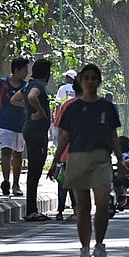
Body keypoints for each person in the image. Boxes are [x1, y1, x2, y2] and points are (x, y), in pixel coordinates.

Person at [48, 64, 126, 257]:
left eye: (94, 78)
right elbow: (64, 137)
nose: (90, 81)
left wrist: (120, 160)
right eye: (86, 78)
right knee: (83, 207)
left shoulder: (106, 107)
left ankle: (99, 246)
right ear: (81, 82)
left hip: (101, 158)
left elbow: (113, 135)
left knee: (102, 204)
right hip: (77, 158)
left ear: (99, 81)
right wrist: (55, 162)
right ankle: (84, 250)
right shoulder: (72, 108)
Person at [12, 58, 52, 221]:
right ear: (46, 74)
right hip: (36, 133)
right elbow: (32, 97)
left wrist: (30, 109)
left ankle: (32, 208)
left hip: (31, 130)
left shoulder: (29, 84)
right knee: (35, 171)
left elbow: (14, 99)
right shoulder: (38, 86)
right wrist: (40, 111)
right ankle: (31, 210)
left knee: (34, 171)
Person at [0, 56, 29, 196]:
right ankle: (6, 181)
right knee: (6, 151)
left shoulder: (26, 86)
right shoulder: (3, 83)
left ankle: (16, 184)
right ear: (17, 70)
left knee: (18, 154)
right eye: (25, 70)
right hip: (4, 124)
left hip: (21, 124)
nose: (26, 73)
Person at [53, 77, 82, 220]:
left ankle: (60, 210)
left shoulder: (67, 106)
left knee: (64, 182)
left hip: (67, 152)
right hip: (85, 153)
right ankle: (78, 210)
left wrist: (58, 154)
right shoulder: (94, 105)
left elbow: (60, 131)